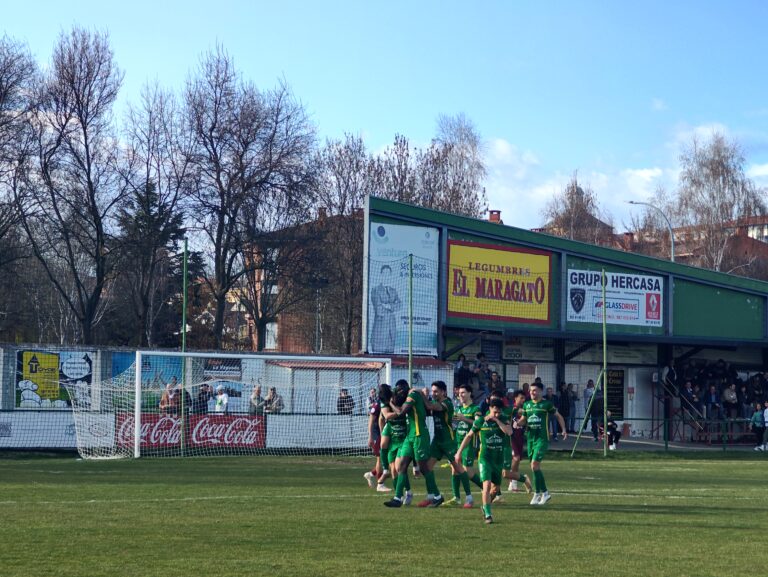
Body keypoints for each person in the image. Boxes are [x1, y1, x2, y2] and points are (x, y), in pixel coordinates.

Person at [383, 380, 445, 508]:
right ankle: (398, 498)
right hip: (410, 435)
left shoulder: (413, 395)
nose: (398, 394)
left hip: (419, 435)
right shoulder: (410, 394)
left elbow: (401, 412)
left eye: (399, 391)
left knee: (423, 467)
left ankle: (438, 496)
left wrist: (390, 403)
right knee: (402, 466)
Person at [455, 397, 513, 524]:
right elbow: (468, 436)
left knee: (495, 489)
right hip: (485, 458)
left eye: (499, 412)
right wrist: (458, 452)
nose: (496, 414)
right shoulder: (481, 421)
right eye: (494, 412)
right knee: (486, 485)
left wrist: (497, 420)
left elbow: (509, 432)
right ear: (490, 409)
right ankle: (488, 515)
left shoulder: (503, 419)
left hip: (498, 459)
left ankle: (485, 506)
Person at [515, 381, 567, 506]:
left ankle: (538, 493)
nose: (531, 392)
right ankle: (543, 493)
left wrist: (564, 429)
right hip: (530, 439)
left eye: (534, 390)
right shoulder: (527, 405)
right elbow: (523, 420)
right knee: (534, 467)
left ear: (540, 391)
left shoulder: (546, 404)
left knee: (534, 465)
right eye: (530, 390)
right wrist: (517, 423)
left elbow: (559, 416)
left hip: (542, 439)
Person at [424, 380, 466, 508]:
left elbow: (431, 407)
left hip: (448, 440)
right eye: (432, 391)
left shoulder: (447, 403)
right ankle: (435, 497)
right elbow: (428, 409)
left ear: (443, 392)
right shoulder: (435, 402)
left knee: (459, 469)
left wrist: (421, 395)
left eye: (436, 391)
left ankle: (470, 497)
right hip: (437, 441)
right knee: (427, 468)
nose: (433, 393)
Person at [377, 383, 412, 501]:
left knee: (399, 468)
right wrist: (398, 412)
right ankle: (399, 494)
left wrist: (399, 410)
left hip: (403, 436)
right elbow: (385, 416)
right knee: (393, 470)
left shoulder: (401, 397)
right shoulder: (385, 401)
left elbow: (402, 411)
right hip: (392, 432)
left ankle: (408, 491)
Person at [451, 383, 483, 508]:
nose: (461, 395)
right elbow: (455, 424)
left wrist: (464, 419)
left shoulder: (475, 409)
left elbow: (478, 423)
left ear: (470, 393)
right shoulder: (458, 409)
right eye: (459, 393)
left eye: (463, 393)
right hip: (458, 442)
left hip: (469, 444)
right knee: (454, 468)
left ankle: (488, 488)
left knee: (468, 472)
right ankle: (456, 497)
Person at [369, 264, 400, 353]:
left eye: (388, 274)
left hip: (391, 334)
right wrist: (393, 308)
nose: (386, 276)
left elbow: (400, 305)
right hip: (379, 335)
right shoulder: (375, 290)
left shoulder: (393, 291)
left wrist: (388, 306)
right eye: (384, 274)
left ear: (390, 275)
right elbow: (379, 310)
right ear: (381, 275)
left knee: (391, 358)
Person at [506, 389, 532, 494]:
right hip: (511, 438)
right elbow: (519, 411)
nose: (523, 400)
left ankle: (513, 484)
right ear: (515, 398)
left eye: (524, 398)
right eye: (521, 398)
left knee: (517, 461)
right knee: (516, 458)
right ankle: (513, 481)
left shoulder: (524, 411)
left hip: (520, 438)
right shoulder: (512, 409)